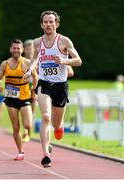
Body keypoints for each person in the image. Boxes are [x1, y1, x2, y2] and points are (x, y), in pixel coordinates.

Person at [24, 10, 82, 167]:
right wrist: (29, 70)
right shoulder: (37, 42)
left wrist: (64, 61)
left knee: (56, 124)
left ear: (57, 24)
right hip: (44, 84)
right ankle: (45, 154)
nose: (48, 24)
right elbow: (35, 58)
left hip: (60, 87)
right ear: (41, 25)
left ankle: (59, 127)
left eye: (51, 21)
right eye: (45, 22)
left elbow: (78, 61)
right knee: (45, 117)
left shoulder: (64, 41)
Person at [0, 39, 38, 160]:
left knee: (28, 124)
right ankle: (21, 151)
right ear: (10, 49)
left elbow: (35, 77)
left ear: (22, 50)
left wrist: (34, 90)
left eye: (18, 48)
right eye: (14, 48)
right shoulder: (5, 64)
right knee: (15, 126)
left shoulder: (27, 63)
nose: (16, 50)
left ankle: (27, 132)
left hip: (24, 98)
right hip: (11, 99)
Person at [22, 39, 38, 142]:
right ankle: (26, 132)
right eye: (27, 47)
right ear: (24, 49)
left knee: (31, 111)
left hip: (34, 87)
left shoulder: (37, 60)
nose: (29, 50)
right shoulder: (22, 60)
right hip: (24, 87)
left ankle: (28, 133)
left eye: (31, 47)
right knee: (23, 109)